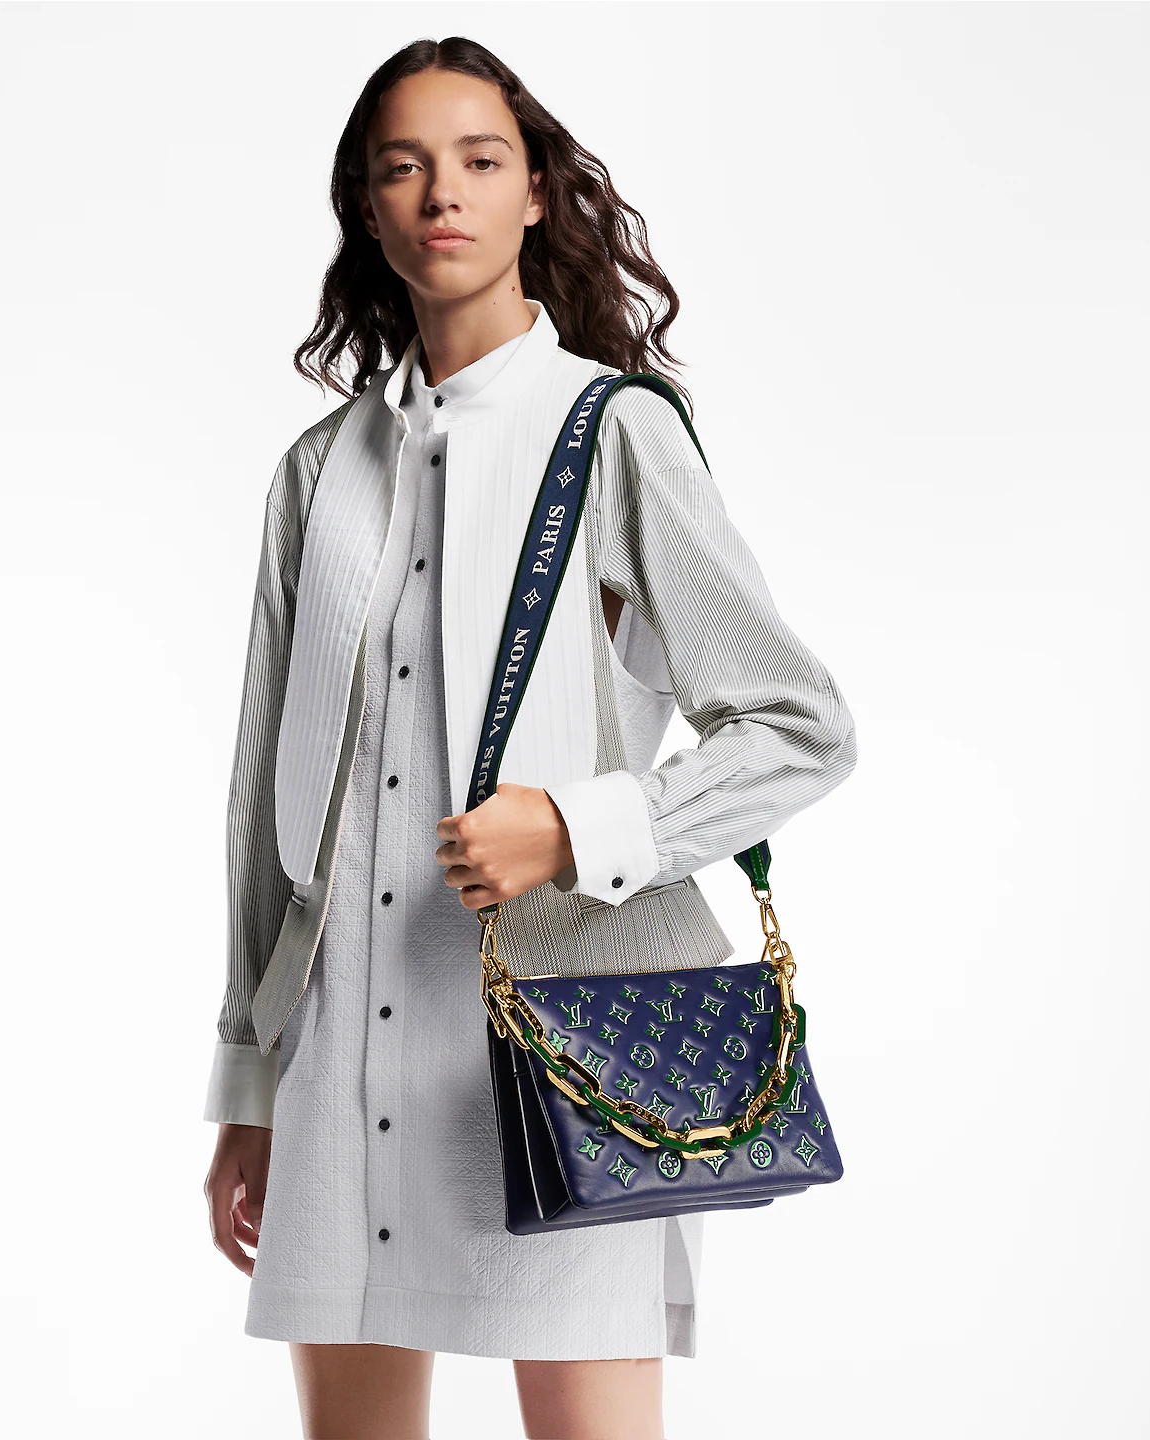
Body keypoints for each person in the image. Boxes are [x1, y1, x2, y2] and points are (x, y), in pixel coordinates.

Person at [203, 35, 857, 1440]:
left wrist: (576, 829)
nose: (442, 192)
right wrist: (249, 1086)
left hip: (563, 1055)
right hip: (336, 1067)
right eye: (404, 166)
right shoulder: (317, 476)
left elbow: (800, 725)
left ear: (536, 193)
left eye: (480, 160)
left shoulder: (612, 435)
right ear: (367, 207)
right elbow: (267, 809)